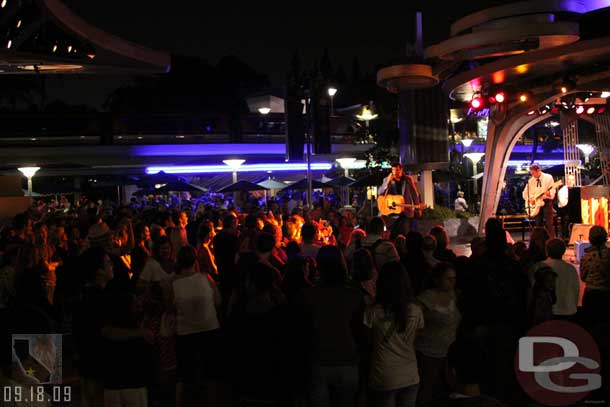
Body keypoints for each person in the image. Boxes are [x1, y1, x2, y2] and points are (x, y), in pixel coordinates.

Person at [364, 261, 423, 407]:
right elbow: (416, 338)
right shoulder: (416, 310)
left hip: (384, 374)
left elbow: (368, 340)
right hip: (410, 374)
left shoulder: (373, 312)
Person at [415, 263, 461, 403]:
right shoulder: (426, 298)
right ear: (437, 279)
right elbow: (414, 322)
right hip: (429, 353)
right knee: (427, 390)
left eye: (454, 278)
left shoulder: (453, 295)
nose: (453, 282)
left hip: (448, 352)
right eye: (448, 279)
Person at [542, 239, 580, 319]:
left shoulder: (541, 267)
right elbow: (576, 289)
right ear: (563, 251)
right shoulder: (571, 269)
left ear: (546, 251)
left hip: (548, 311)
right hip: (568, 309)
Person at [378, 162, 422, 230]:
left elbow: (414, 193)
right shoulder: (388, 180)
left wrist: (417, 207)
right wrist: (387, 182)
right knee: (393, 231)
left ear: (401, 170)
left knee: (405, 230)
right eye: (393, 170)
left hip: (405, 210)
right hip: (393, 212)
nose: (395, 172)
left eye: (397, 170)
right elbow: (380, 192)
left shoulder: (407, 179)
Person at [522, 163, 556, 238]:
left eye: (533, 173)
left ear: (538, 170)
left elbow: (553, 190)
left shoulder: (548, 177)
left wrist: (549, 194)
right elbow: (525, 193)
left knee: (549, 223)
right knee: (538, 224)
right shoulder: (531, 181)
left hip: (546, 202)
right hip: (536, 204)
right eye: (531, 174)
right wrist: (529, 199)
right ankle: (538, 242)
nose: (533, 175)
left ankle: (551, 241)